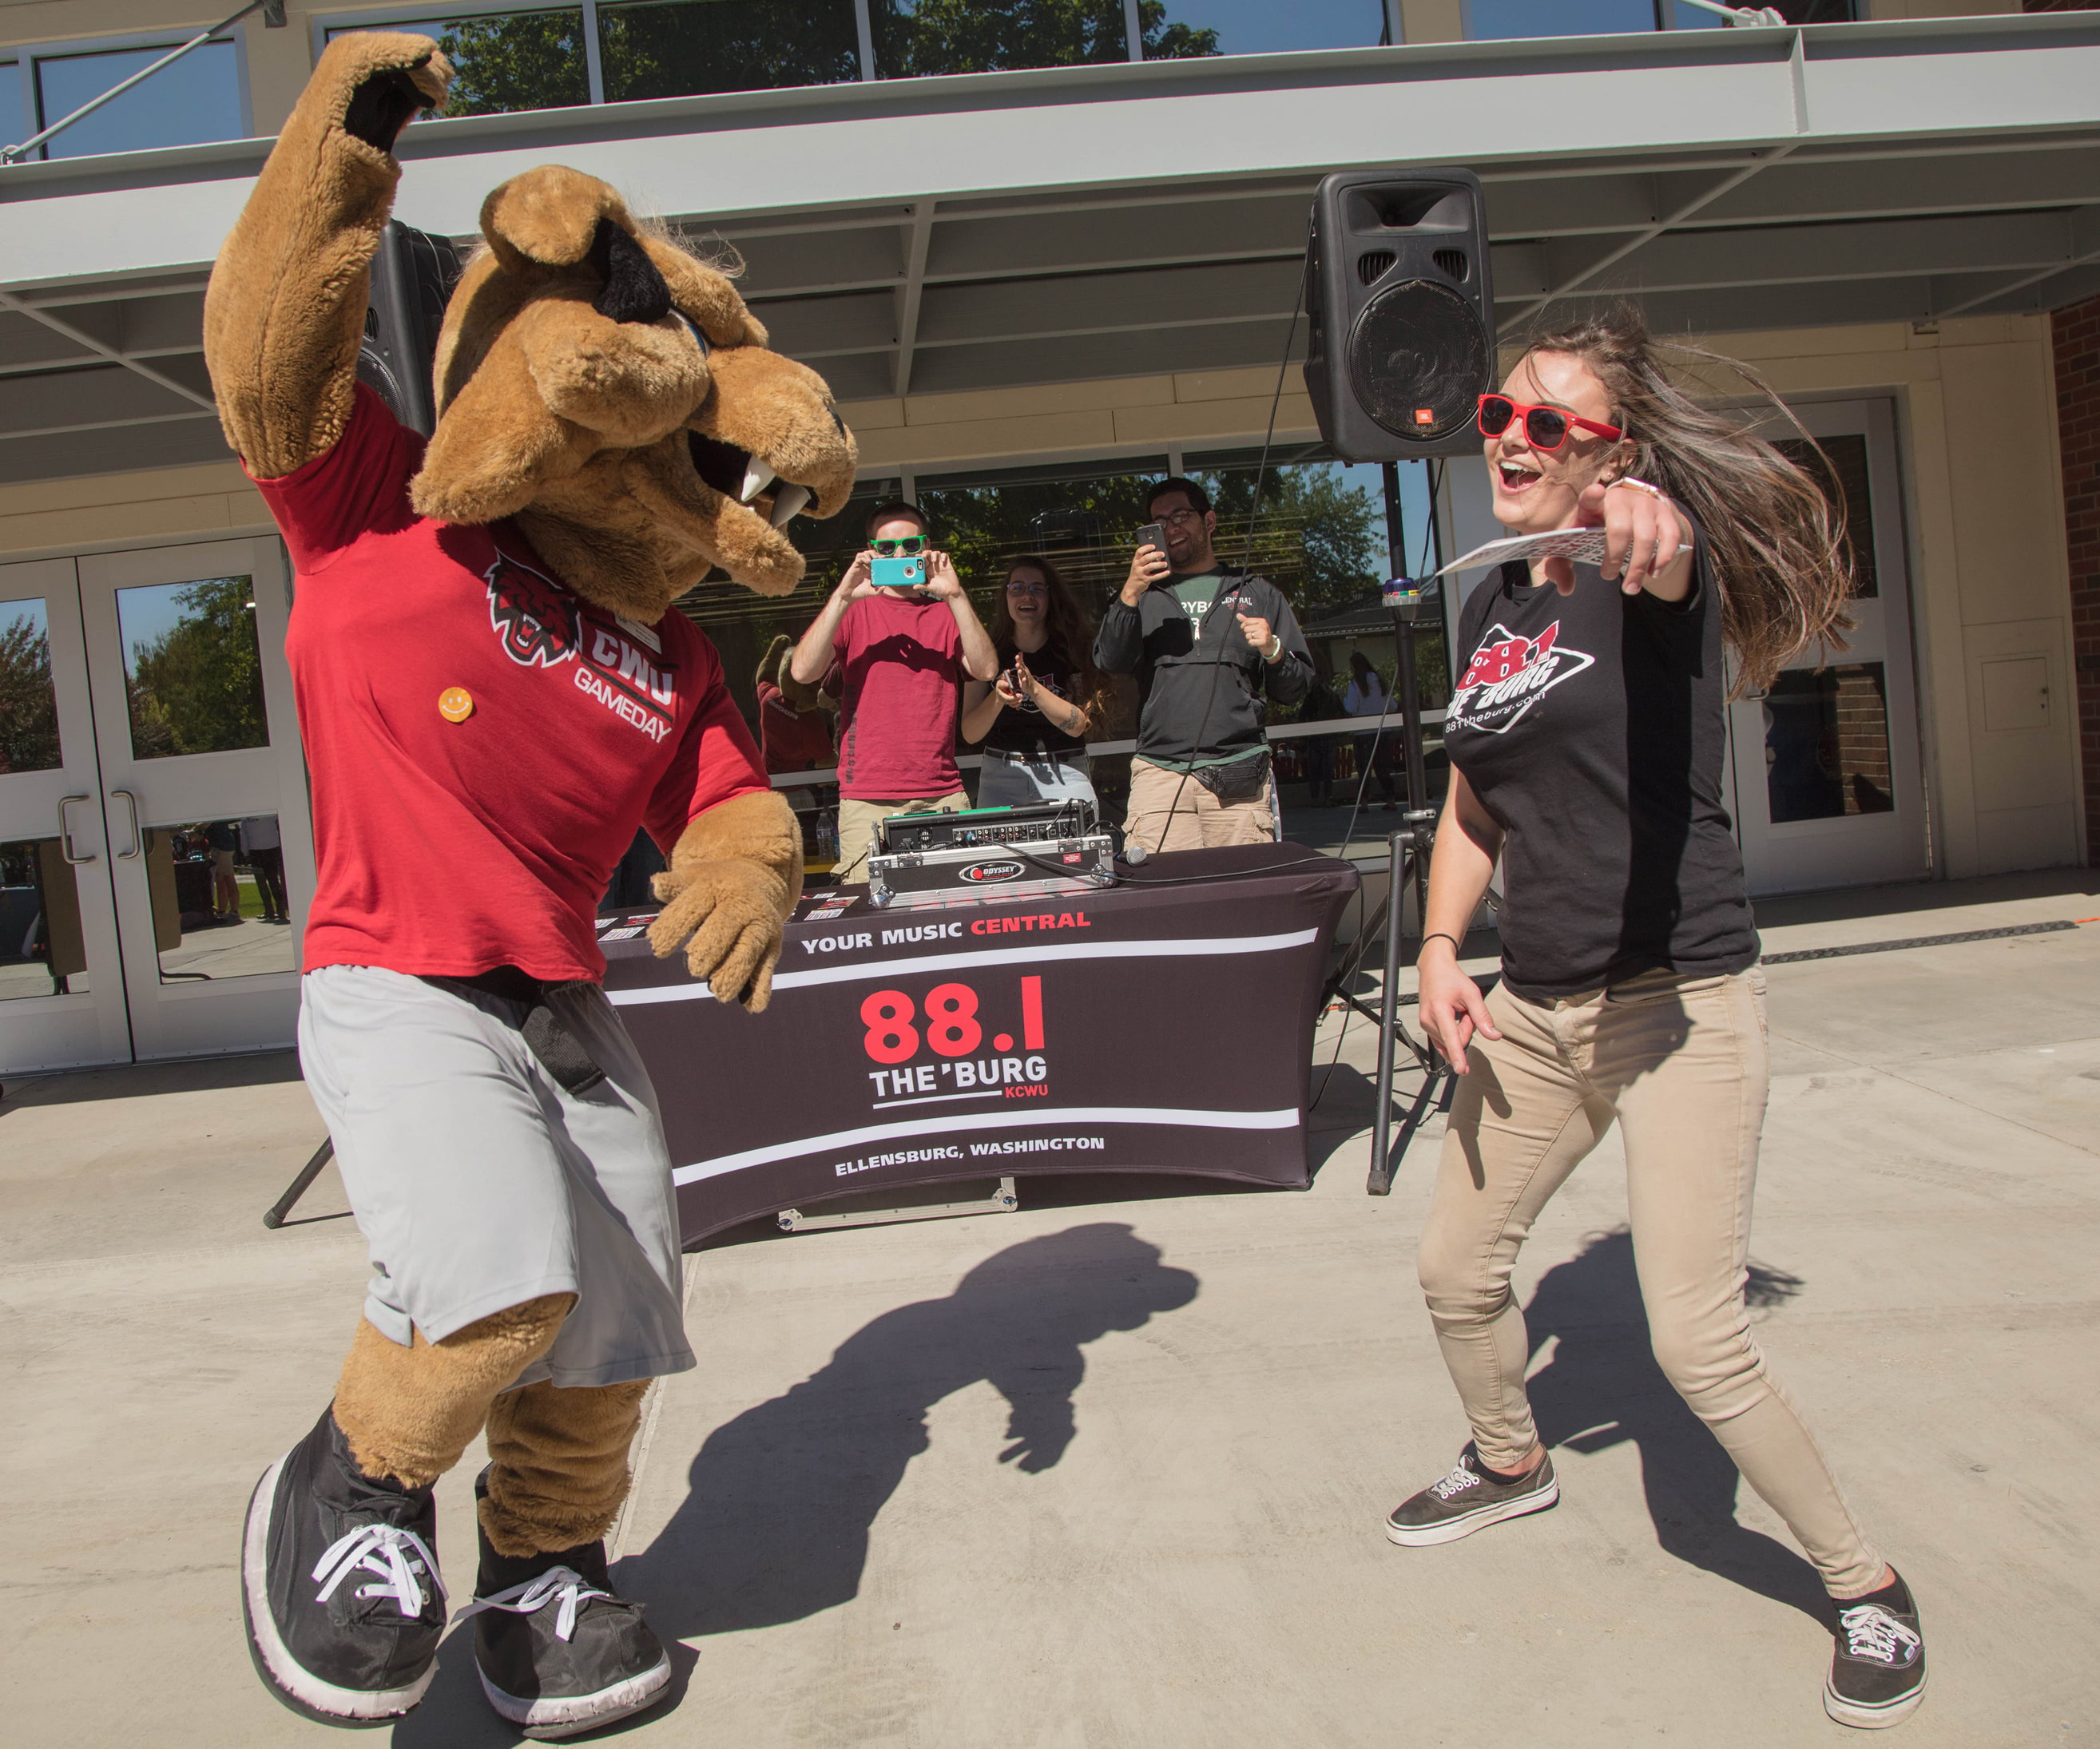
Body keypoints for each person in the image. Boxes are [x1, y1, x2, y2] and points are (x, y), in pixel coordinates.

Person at [1390, 307, 1924, 1732]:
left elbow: (1665, 544)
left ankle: (1864, 1584)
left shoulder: (1645, 573)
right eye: (1504, 411)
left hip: (1677, 1004)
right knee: (1453, 1271)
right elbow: (1473, 801)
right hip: (1534, 1008)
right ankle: (1509, 1461)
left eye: (1550, 424)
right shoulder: (1495, 603)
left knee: (1692, 1344)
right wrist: (1443, 946)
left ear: (1609, 452)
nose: (1510, 435)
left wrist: (1647, 515)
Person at [1094, 477, 1313, 852]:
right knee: (1163, 896)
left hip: (1239, 774)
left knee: (1243, 893)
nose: (1170, 529)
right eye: (1158, 523)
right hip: (1160, 774)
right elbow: (1110, 661)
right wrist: (1130, 591)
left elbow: (1294, 689)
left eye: (1180, 516)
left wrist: (1273, 650)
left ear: (1209, 521)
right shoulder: (1143, 596)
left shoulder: (1255, 591)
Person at [788, 502, 998, 880]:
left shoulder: (946, 613)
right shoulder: (853, 609)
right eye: (886, 549)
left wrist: (955, 595)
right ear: (870, 552)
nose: (900, 554)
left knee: (953, 908)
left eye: (911, 545)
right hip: (868, 798)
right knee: (867, 920)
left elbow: (985, 669)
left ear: (927, 548)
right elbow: (803, 671)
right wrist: (843, 595)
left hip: (941, 795)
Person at [959, 555, 1105, 810]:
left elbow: (1078, 725)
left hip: (1065, 771)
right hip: (1000, 775)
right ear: (1006, 597)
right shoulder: (987, 653)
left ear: (1051, 598)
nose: (1027, 596)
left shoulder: (1071, 650)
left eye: (1037, 588)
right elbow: (970, 733)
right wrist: (997, 697)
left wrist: (1034, 689)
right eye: (1017, 588)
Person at [753, 633, 833, 775]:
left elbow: (763, 678)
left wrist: (772, 656)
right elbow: (827, 759)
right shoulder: (808, 719)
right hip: (797, 784)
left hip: (771, 781)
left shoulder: (770, 698)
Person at [1340, 651, 1399, 811]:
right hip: (1382, 730)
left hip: (1363, 732)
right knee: (1383, 768)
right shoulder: (1380, 682)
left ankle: (1364, 802)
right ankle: (1391, 799)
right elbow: (1393, 706)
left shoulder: (1355, 684)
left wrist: (1343, 699)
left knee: (1364, 769)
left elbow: (1351, 707)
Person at [239, 814, 289, 922]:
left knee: (266, 883)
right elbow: (243, 835)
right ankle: (277, 911)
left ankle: (273, 911)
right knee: (272, 882)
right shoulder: (248, 816)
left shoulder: (250, 816)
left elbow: (244, 835)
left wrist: (245, 853)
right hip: (265, 849)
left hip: (264, 850)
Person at [204, 819, 242, 922]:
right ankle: (221, 911)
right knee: (219, 879)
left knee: (228, 877)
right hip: (216, 846)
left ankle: (234, 912)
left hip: (224, 846)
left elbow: (206, 823)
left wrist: (196, 828)